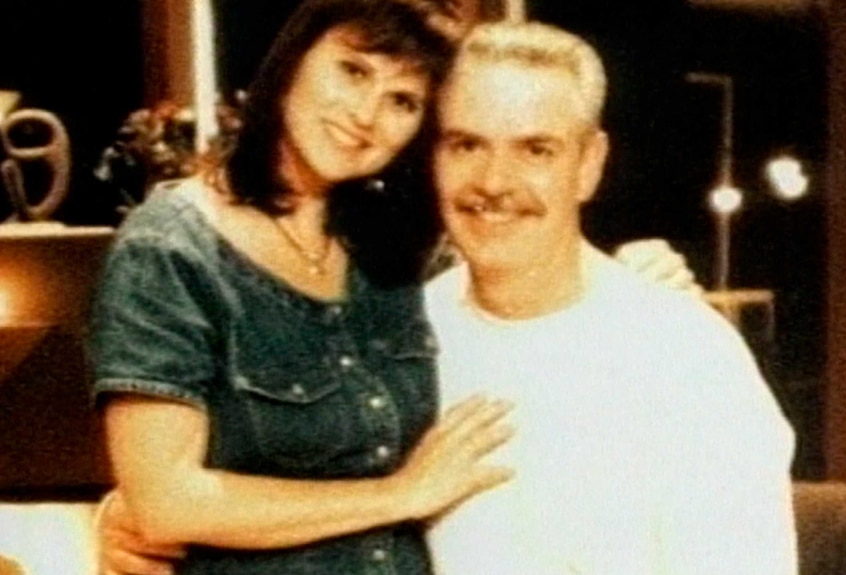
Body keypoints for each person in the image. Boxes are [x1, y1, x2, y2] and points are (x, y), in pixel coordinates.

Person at [89, 1, 703, 574]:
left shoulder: (390, 246)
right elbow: (167, 505)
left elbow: (525, 289)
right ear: (294, 59)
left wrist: (635, 281)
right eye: (353, 71)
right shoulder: (171, 249)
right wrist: (400, 494)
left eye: (403, 101)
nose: (366, 115)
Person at [424, 21, 798, 574]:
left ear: (589, 164)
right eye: (466, 144)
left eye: (536, 149)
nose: (494, 180)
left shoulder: (688, 355)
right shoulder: (406, 334)